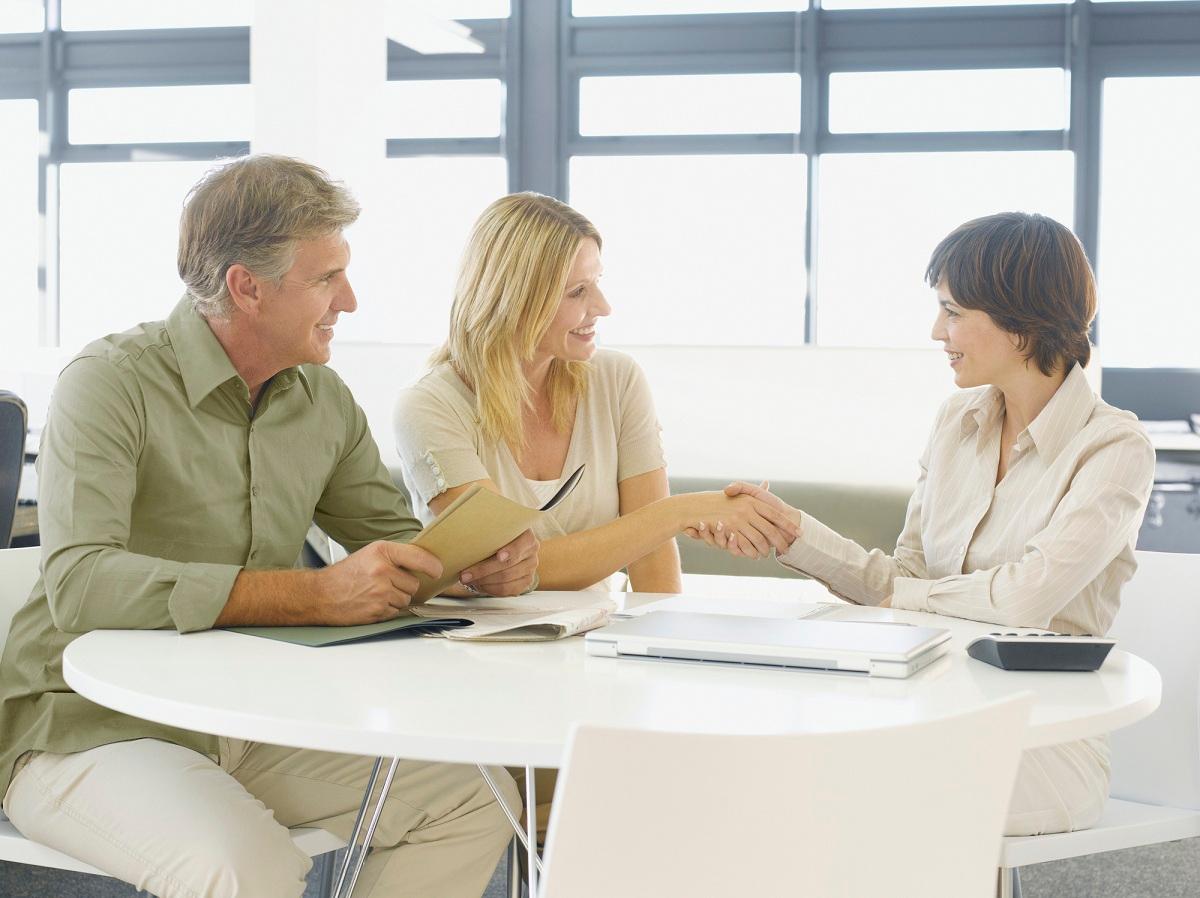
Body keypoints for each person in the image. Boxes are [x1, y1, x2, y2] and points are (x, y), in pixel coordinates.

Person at [0, 155, 538, 898]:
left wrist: (475, 564)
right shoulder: (109, 383)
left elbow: (399, 549)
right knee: (248, 869)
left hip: (244, 719)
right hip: (85, 728)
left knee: (472, 804)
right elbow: (81, 585)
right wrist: (311, 597)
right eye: (325, 278)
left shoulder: (322, 399)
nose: (349, 299)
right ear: (245, 287)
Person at [704, 212, 1155, 836]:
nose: (936, 331)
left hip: (1042, 734)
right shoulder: (956, 421)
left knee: (845, 798)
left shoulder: (1115, 446)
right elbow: (907, 578)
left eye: (952, 311)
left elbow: (1026, 597)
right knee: (777, 761)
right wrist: (794, 535)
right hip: (927, 703)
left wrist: (901, 595)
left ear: (1021, 321)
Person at [394, 191, 797, 599]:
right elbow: (505, 564)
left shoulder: (617, 381)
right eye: (577, 292)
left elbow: (652, 560)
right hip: (468, 647)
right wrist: (681, 512)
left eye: (597, 283)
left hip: (595, 641)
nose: (603, 307)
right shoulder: (429, 406)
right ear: (514, 299)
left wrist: (661, 649)